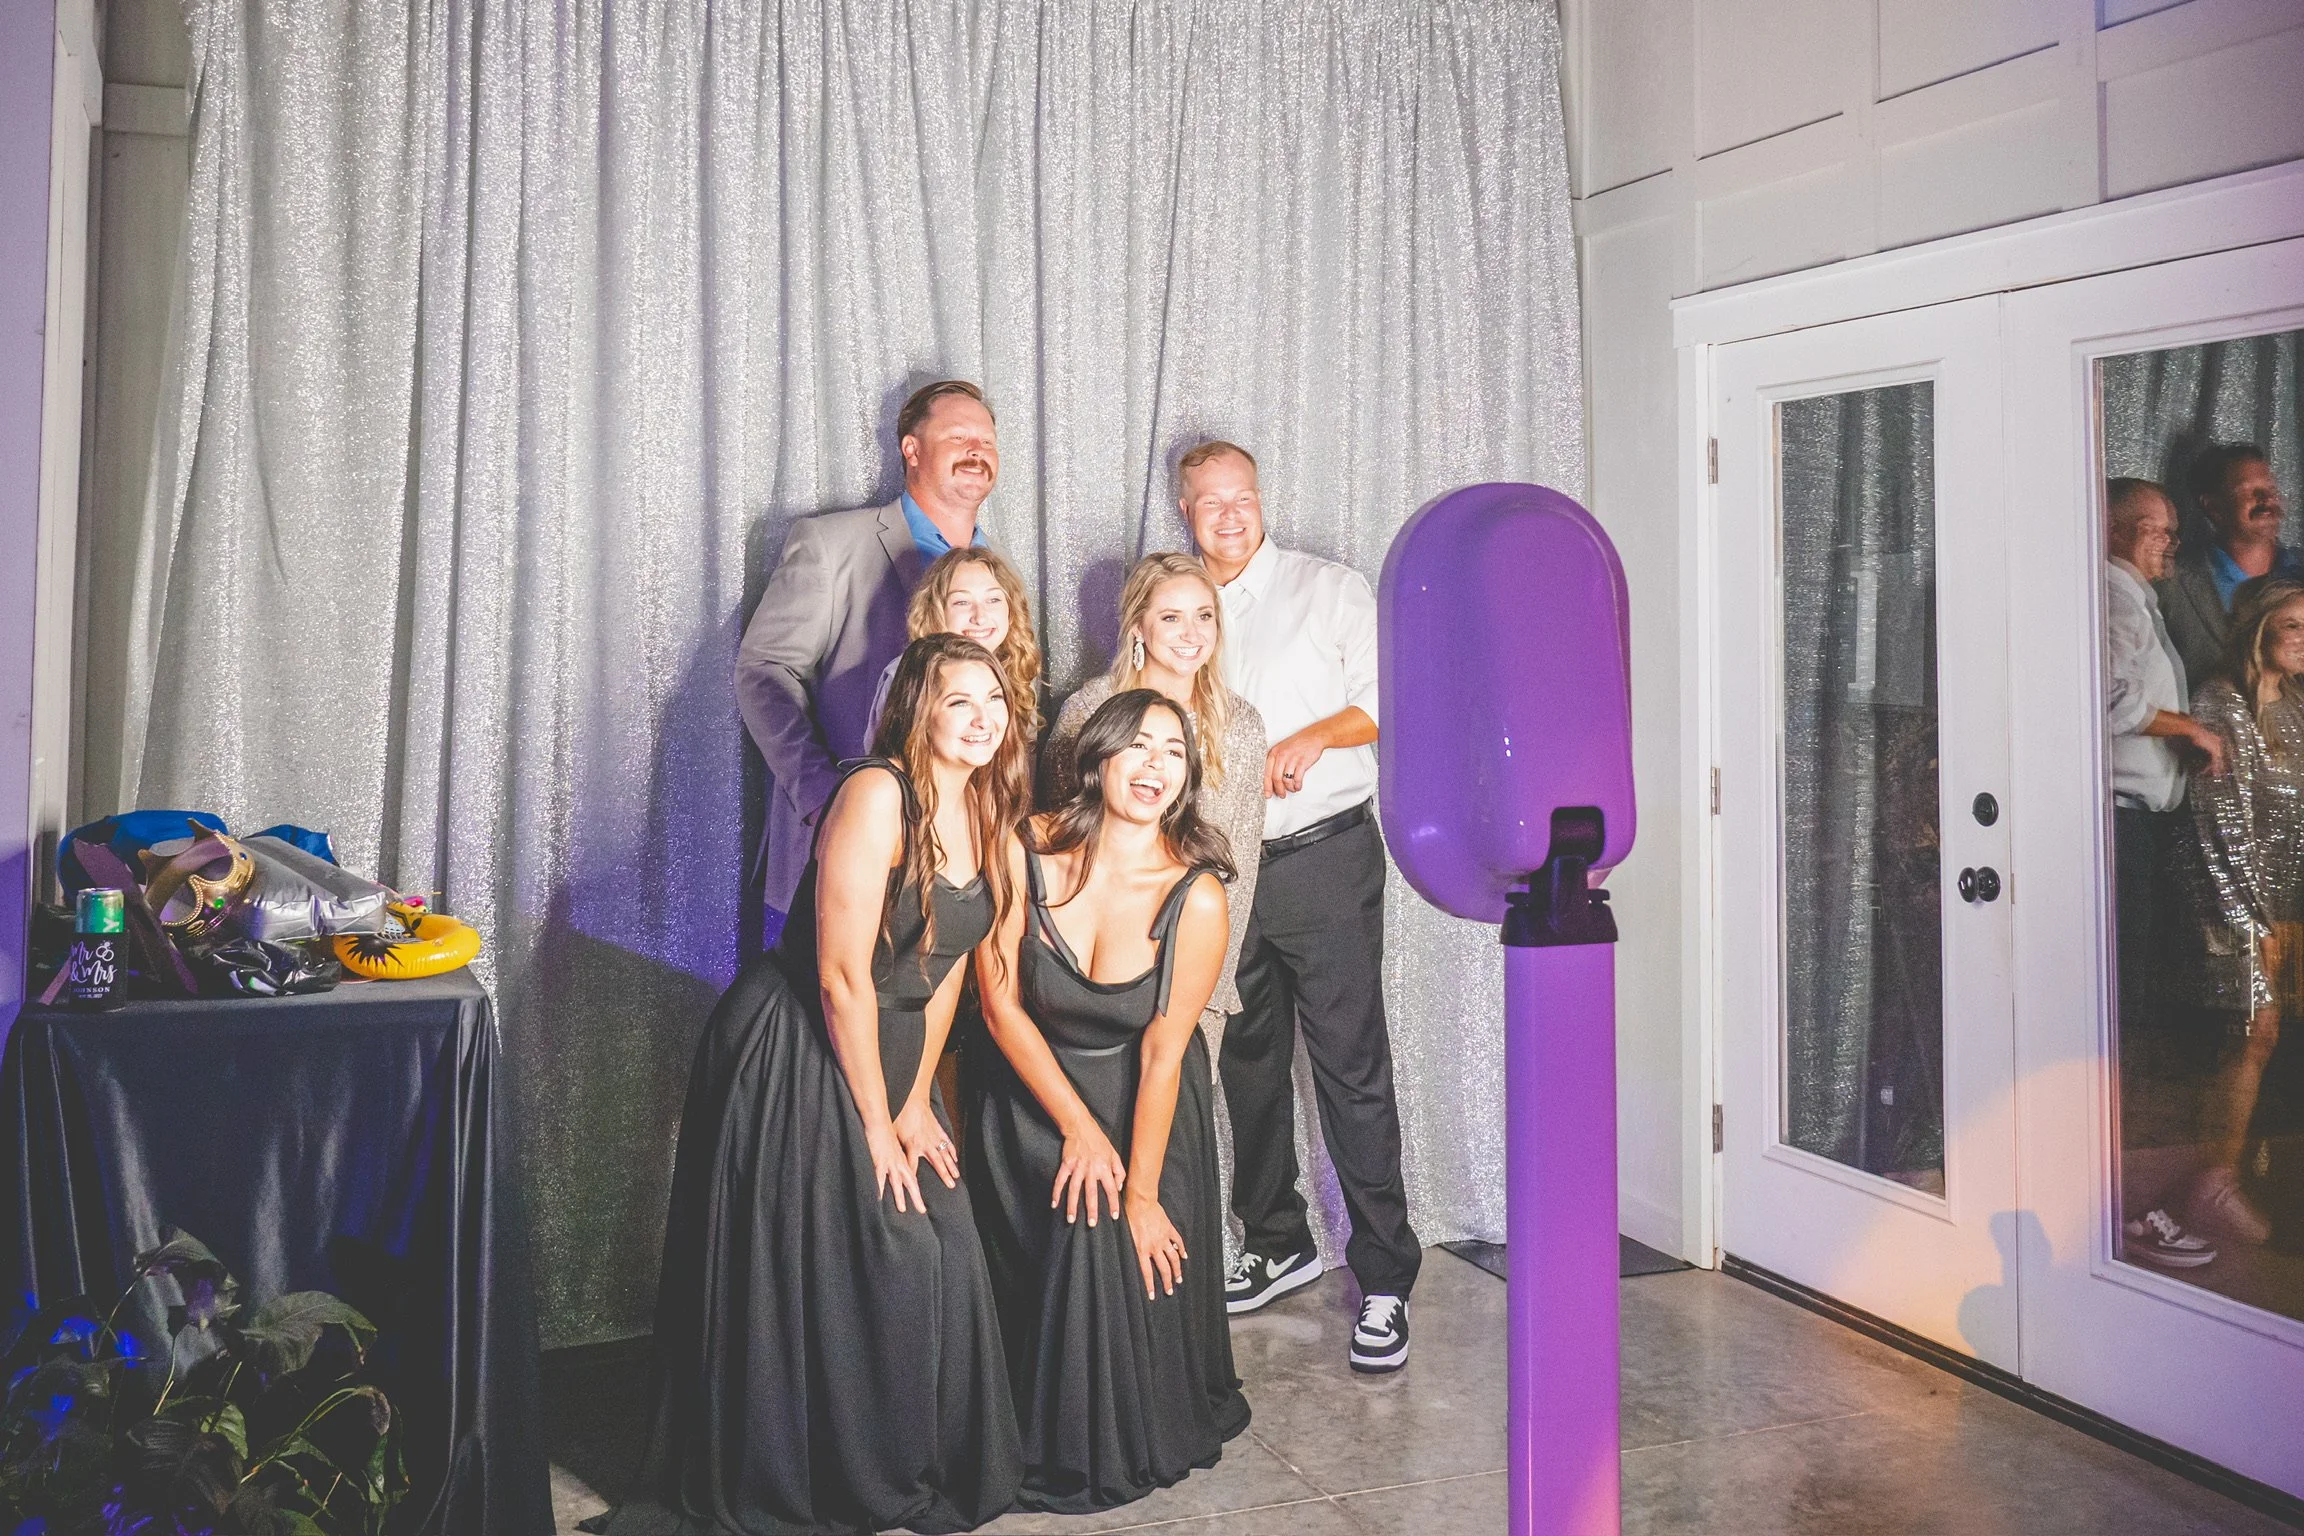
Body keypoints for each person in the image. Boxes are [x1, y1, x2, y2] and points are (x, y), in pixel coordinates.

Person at [621, 634, 1027, 1536]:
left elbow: (947, 965)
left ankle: (912, 1461)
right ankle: (827, 1470)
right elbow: (842, 975)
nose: (982, 720)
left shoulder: (988, 808)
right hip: (797, 1046)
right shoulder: (875, 793)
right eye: (960, 701)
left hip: (894, 1053)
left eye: (993, 701)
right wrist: (874, 1123)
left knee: (944, 1246)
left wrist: (918, 1098)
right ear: (918, 709)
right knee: (877, 1254)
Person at [966, 689, 1249, 1512]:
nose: (1155, 766)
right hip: (1029, 1092)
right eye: (1139, 746)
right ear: (1097, 758)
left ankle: (1101, 1430)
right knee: (1068, 1189)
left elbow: (1164, 1053)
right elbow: (999, 1004)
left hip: (1147, 1105)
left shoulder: (1196, 896)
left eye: (1174, 751)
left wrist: (1143, 1193)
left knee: (1100, 1219)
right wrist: (1079, 1129)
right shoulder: (1022, 849)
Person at [1179, 439, 1421, 1375]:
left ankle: (1387, 1279)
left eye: (1243, 498)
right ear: (1187, 510)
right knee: (1246, 1059)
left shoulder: (1330, 588)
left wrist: (1311, 738)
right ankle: (1278, 1240)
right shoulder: (1184, 607)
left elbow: (1385, 700)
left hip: (1324, 860)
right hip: (1221, 869)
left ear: (1261, 498)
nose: (1231, 516)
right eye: (1211, 503)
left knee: (1350, 1067)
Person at [738, 379, 1000, 921]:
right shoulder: (831, 544)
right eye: (958, 437)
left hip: (962, 867)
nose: (977, 451)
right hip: (841, 855)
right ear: (911, 450)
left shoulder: (997, 573)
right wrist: (821, 797)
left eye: (987, 441)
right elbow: (764, 670)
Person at [1041, 552, 1268, 1040]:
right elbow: (1056, 847)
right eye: (1171, 617)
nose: (1192, 634)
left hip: (1189, 972)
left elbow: (1239, 873)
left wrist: (1210, 995)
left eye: (1203, 616)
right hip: (1087, 982)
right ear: (1138, 627)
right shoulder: (1087, 712)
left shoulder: (1240, 728)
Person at [2104, 477, 2224, 1270]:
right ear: (2113, 530)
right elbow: (2106, 701)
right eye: (2156, 529)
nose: (2170, 544)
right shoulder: (2111, 599)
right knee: (2118, 1017)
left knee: (2132, 1013)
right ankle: (2117, 1205)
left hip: (2142, 824)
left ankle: (2118, 1198)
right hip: (2115, 826)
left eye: (2174, 530)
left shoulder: (2136, 599)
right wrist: (2193, 730)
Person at [2176, 576, 2303, 1250]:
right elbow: (2220, 825)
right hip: (2240, 907)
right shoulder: (2223, 703)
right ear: (2260, 630)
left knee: (2275, 1040)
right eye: (2295, 628)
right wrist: (2250, 921)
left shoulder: (2296, 707)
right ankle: (2210, 1181)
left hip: (2291, 908)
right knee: (2251, 1035)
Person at [867, 545, 1045, 749]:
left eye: (993, 599)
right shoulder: (906, 675)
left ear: (1011, 609)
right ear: (936, 610)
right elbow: (885, 768)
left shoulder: (1017, 672)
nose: (980, 616)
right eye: (962, 602)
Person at [2157, 443, 2297, 686]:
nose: (2266, 500)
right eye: (2248, 491)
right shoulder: (2171, 582)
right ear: (2213, 506)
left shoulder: (2299, 572)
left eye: (2270, 489)